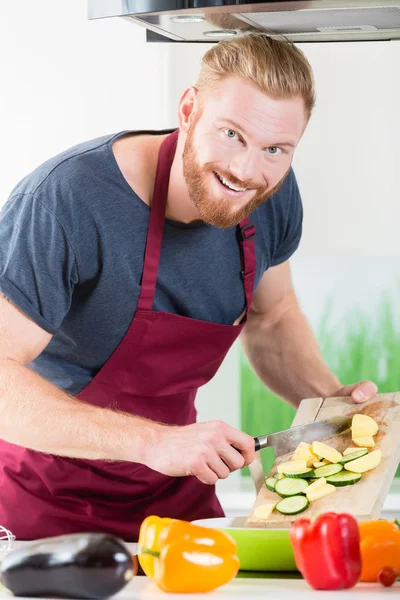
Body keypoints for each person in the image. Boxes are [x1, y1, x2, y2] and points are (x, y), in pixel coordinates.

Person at [0, 33, 376, 541]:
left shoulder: (271, 195)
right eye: (231, 134)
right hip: (45, 507)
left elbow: (274, 317)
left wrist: (332, 405)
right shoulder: (67, 201)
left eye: (275, 149)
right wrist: (156, 443)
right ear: (188, 109)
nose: (247, 171)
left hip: (176, 501)